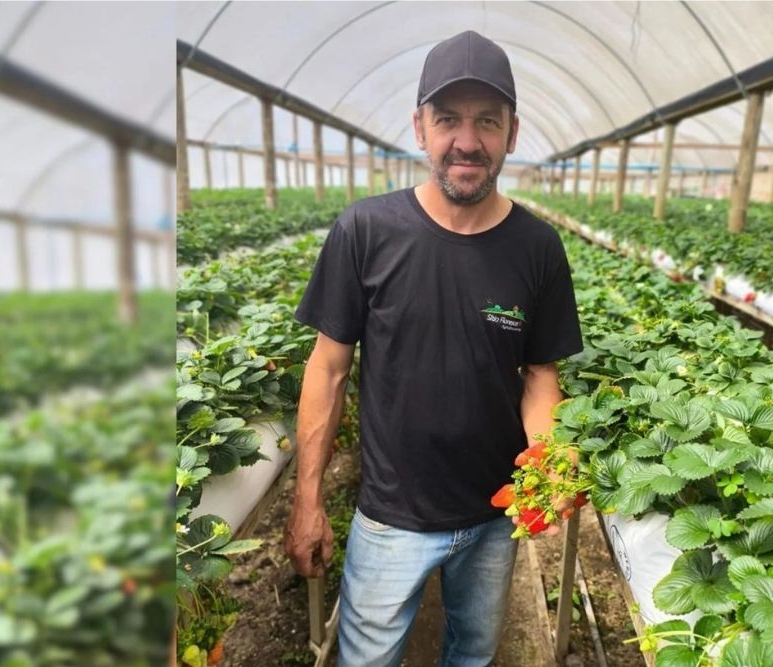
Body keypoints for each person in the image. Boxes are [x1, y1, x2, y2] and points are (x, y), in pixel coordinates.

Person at [285, 30, 583, 666]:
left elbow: (540, 375)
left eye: (487, 121)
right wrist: (307, 500)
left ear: (512, 132)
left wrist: (549, 463)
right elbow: (328, 370)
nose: (467, 141)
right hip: (389, 517)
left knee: (472, 655)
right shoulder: (365, 230)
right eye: (448, 119)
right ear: (420, 128)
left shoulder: (537, 248)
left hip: (494, 516)